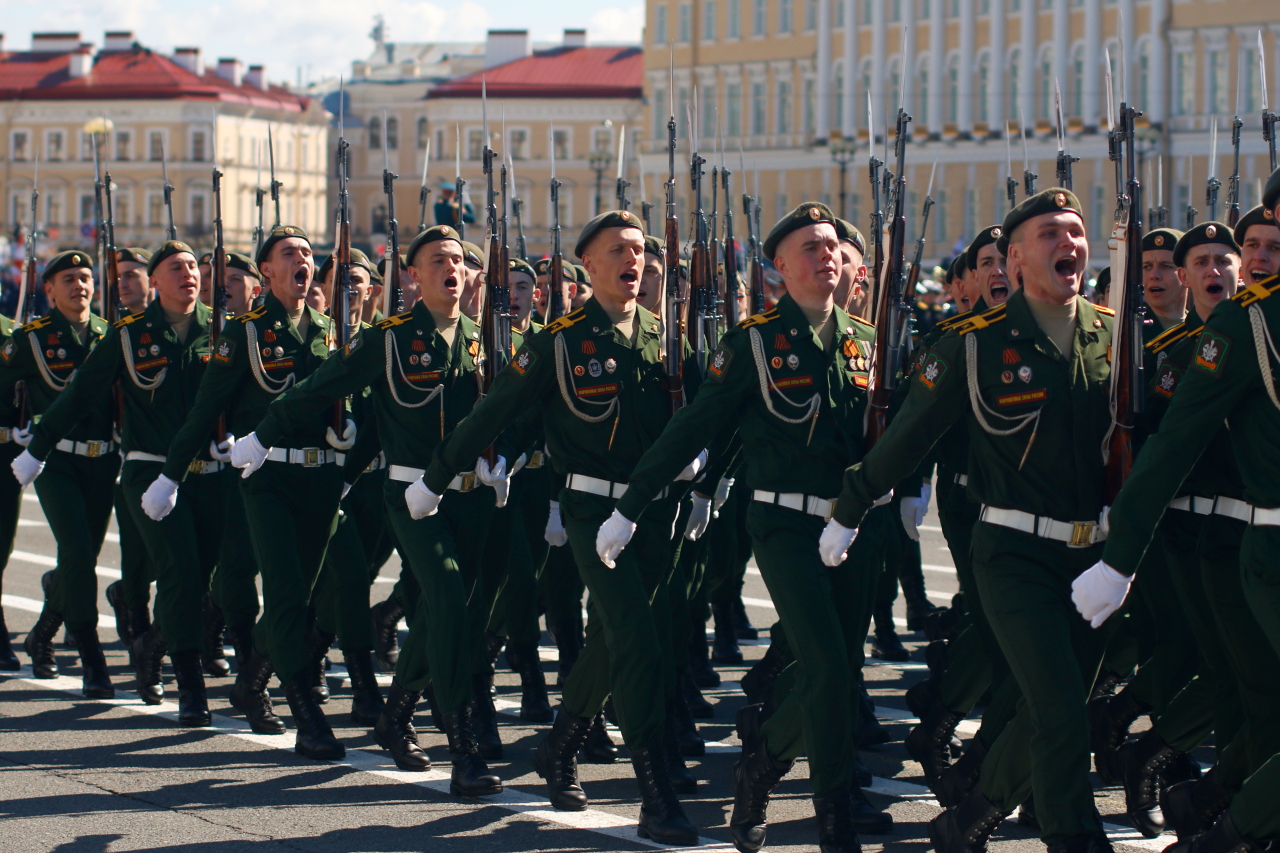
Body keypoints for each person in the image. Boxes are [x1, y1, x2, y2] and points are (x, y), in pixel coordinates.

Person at [821, 189, 1118, 853]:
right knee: (1060, 707)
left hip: (1095, 557)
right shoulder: (976, 346)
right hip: (1014, 554)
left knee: (1056, 710)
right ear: (1015, 258)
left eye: (1075, 231)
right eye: (1049, 233)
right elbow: (908, 436)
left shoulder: (1111, 334)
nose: (1067, 243)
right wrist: (852, 505)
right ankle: (1075, 835)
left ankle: (972, 813)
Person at [595, 201, 892, 853]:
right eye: (810, 247)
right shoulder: (755, 342)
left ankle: (760, 764)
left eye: (834, 245)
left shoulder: (868, 343)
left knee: (834, 673)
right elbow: (695, 427)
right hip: (784, 524)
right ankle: (834, 815)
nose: (827, 254)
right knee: (825, 664)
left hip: (852, 526)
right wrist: (632, 503)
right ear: (781, 267)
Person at [416, 209, 702, 846]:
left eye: (639, 249)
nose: (634, 260)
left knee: (618, 639)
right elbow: (496, 412)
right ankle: (657, 794)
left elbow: (707, 415)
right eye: (618, 251)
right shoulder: (561, 341)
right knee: (638, 642)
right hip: (591, 511)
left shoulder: (666, 337)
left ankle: (559, 748)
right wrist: (437, 476)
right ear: (589, 267)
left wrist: (707, 474)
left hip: (656, 512)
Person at [247, 224, 504, 795]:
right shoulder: (390, 338)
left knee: (446, 612)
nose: (452, 268)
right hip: (413, 497)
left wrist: (503, 458)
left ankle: (397, 713)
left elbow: (511, 406)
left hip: (472, 499)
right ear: (413, 276)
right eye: (438, 260)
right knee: (446, 602)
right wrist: (264, 434)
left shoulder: (480, 337)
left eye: (459, 260)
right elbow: (321, 387)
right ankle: (463, 751)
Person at [1073, 177, 1280, 853]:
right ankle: (1222, 817)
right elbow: (1168, 446)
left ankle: (1215, 799)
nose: (1240, 261)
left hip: (1237, 529)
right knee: (1228, 675)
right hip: (1240, 538)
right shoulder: (1247, 325)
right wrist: (1119, 555)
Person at [150, 225, 348, 761]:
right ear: (267, 271)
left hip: (322, 478)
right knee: (284, 593)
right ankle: (305, 709)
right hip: (268, 479)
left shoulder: (331, 330)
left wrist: (350, 427)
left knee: (303, 598)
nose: (303, 261)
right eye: (290, 254)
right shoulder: (243, 333)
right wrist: (171, 475)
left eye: (308, 252)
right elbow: (205, 407)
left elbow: (353, 394)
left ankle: (251, 681)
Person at [23, 241, 227, 725]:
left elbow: (244, 394)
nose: (188, 274)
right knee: (177, 571)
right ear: (154, 281)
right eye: (175, 268)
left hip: (210, 475)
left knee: (201, 581)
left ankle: (151, 646)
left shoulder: (222, 331)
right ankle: (191, 688)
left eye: (194, 266)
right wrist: (38, 445)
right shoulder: (130, 335)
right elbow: (80, 393)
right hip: (150, 473)